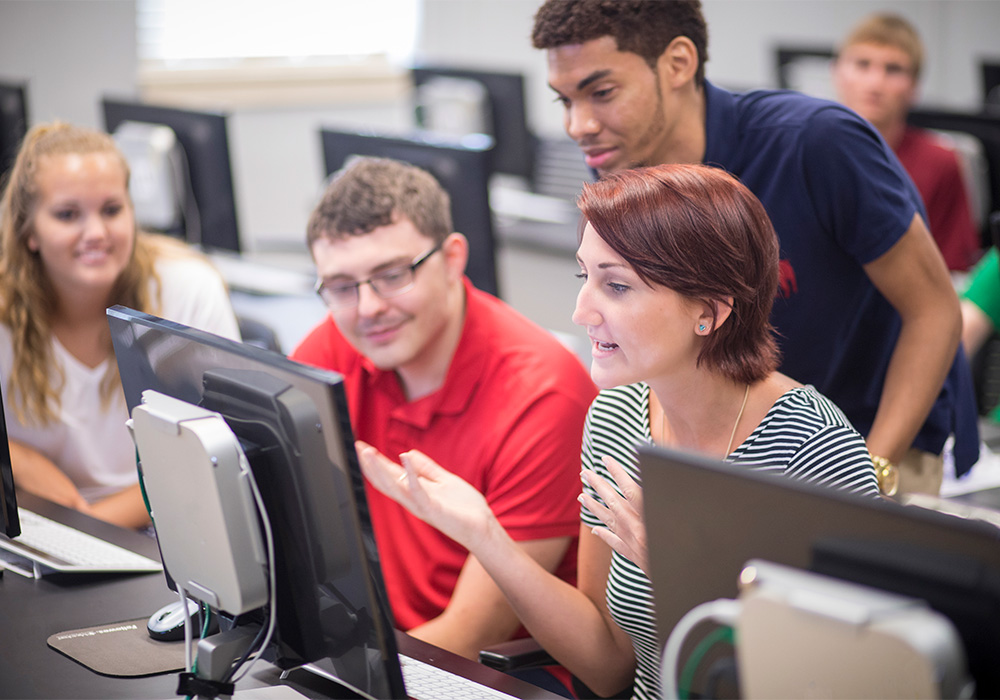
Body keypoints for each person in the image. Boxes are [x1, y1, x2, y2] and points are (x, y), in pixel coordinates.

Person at [359, 164, 879, 700]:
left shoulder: (814, 451)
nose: (582, 311)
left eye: (618, 285)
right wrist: (486, 536)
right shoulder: (616, 416)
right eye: (585, 277)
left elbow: (844, 685)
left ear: (709, 310)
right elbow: (607, 665)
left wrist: (688, 581)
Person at [530, 0, 978, 496]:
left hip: (874, 435)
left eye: (602, 92)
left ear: (678, 63)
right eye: (565, 100)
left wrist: (870, 476)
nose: (578, 125)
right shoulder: (624, 167)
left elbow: (934, 311)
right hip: (736, 442)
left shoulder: (815, 143)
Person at [288, 157, 597, 663]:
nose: (367, 309)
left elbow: (470, 636)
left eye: (392, 275)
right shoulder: (337, 350)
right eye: (342, 287)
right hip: (385, 646)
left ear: (453, 258)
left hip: (487, 676)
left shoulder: (542, 395)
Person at [0, 121, 241, 529]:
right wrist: (21, 460)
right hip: (42, 525)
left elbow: (219, 447)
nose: (95, 233)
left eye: (112, 210)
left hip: (172, 525)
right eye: (67, 214)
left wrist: (90, 527)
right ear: (30, 232)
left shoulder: (186, 287)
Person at [833, 12, 980, 272]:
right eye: (862, 64)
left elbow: (953, 267)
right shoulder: (808, 150)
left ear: (914, 86)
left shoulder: (941, 162)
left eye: (893, 69)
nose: (875, 83)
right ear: (837, 72)